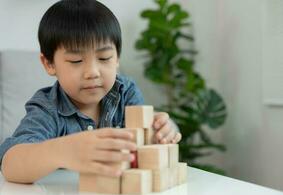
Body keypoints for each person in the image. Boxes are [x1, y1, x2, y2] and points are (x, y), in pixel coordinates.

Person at [0, 0, 182, 184]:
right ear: (49, 63)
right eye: (76, 60)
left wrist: (163, 130)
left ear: (117, 58)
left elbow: (147, 140)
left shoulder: (125, 92)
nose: (92, 72)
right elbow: (10, 165)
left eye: (104, 58)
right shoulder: (47, 108)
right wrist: (63, 150)